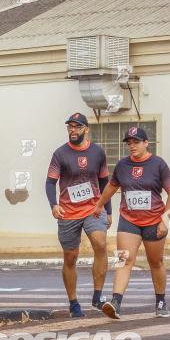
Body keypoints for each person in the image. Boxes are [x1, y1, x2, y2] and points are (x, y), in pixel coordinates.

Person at [92, 126, 170, 319]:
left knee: (156, 262)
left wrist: (165, 219)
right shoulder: (122, 165)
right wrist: (99, 205)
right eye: (129, 143)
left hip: (154, 220)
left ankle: (160, 301)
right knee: (123, 260)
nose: (132, 146)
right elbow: (112, 187)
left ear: (146, 143)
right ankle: (116, 302)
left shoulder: (158, 164)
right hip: (128, 220)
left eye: (136, 142)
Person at [46, 113, 112, 317]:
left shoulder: (97, 152)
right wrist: (54, 205)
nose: (73, 130)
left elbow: (104, 183)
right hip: (68, 211)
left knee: (100, 244)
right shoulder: (60, 154)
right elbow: (50, 182)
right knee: (70, 257)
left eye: (77, 127)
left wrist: (108, 210)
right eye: (70, 127)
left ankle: (98, 296)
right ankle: (73, 302)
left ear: (86, 129)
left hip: (93, 208)